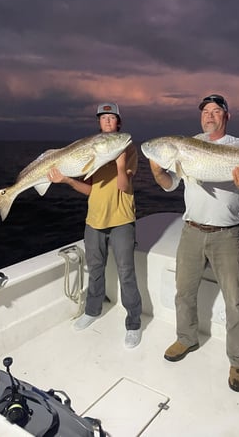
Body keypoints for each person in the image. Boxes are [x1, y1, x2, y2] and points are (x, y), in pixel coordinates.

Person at [148, 94, 239, 391]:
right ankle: (186, 338)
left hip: (226, 234)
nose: (209, 116)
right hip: (191, 232)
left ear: (227, 116)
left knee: (235, 300)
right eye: (205, 112)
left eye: (216, 111)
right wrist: (159, 171)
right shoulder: (186, 145)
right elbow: (171, 184)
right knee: (184, 292)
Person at [48, 102, 142, 348]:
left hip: (122, 219)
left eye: (112, 118)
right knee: (95, 268)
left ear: (119, 123)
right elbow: (90, 190)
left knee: (126, 273)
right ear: (99, 123)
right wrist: (66, 179)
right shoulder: (93, 152)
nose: (108, 121)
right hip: (94, 221)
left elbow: (124, 186)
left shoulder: (128, 149)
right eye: (103, 118)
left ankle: (133, 323)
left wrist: (121, 165)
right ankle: (92, 310)